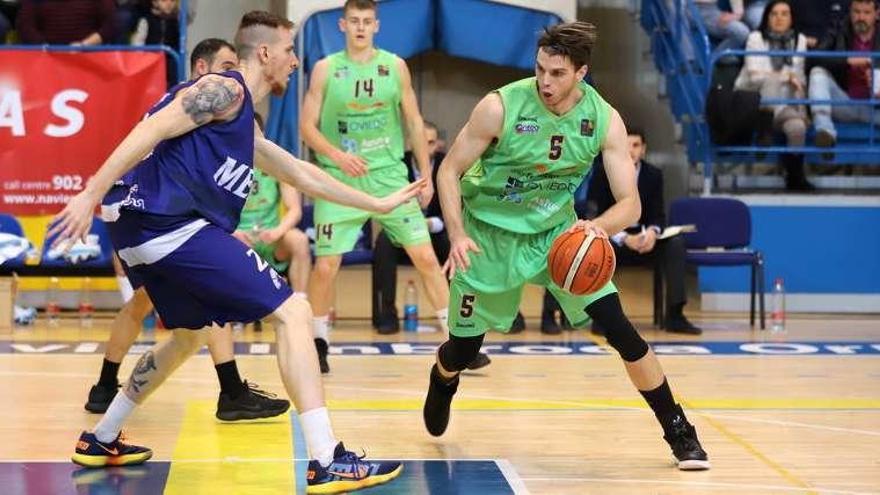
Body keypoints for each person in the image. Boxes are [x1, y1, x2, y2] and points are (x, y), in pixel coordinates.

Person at [57, 11, 410, 492]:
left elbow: (301, 174)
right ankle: (327, 458)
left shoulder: (244, 126)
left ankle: (101, 436)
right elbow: (151, 130)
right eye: (289, 51)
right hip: (167, 223)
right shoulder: (227, 90)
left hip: (142, 229)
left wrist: (375, 201)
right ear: (264, 53)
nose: (295, 61)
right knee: (295, 311)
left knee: (189, 336)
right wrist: (88, 192)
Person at [422, 21, 710, 471]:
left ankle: (679, 431)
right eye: (540, 70)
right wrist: (457, 234)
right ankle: (443, 380)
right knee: (462, 347)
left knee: (620, 330)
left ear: (581, 72)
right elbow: (448, 171)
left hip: (558, 235)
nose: (545, 82)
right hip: (488, 236)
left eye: (557, 73)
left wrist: (593, 230)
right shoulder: (499, 107)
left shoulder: (603, 119)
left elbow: (630, 204)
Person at [83, 38, 290, 423]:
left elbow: (285, 167)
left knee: (194, 323)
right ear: (201, 69)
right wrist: (91, 193)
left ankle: (226, 390)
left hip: (148, 213)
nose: (235, 74)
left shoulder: (218, 110)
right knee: (150, 303)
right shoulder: (207, 98)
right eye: (227, 65)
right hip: (144, 209)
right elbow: (153, 137)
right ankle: (107, 382)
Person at [301, 0, 449, 374]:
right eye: (354, 21)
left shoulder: (394, 66)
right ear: (342, 25)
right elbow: (307, 127)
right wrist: (337, 155)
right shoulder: (325, 69)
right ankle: (319, 342)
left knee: (427, 257)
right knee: (326, 265)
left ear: (377, 26)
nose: (361, 28)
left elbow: (415, 123)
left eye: (367, 21)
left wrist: (426, 174)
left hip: (389, 175)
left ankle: (456, 342)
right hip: (340, 177)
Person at [370, 122, 491, 369]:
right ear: (410, 143)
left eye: (431, 142)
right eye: (421, 142)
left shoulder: (450, 164)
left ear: (438, 144)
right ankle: (387, 316)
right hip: (398, 225)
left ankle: (459, 337)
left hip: (437, 228)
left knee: (451, 244)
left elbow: (461, 206)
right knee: (382, 241)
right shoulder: (396, 163)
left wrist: (431, 223)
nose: (426, 147)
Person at [587, 129, 702, 334]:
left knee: (675, 244)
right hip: (613, 239)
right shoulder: (602, 172)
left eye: (636, 145)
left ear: (643, 149)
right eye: (626, 145)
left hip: (644, 240)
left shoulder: (653, 175)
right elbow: (595, 217)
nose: (631, 150)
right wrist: (623, 237)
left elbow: (658, 215)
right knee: (593, 246)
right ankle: (602, 319)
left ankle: (675, 314)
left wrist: (651, 233)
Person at [735, 0, 813, 191]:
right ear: (767, 17)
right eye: (774, 14)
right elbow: (755, 75)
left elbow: (800, 78)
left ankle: (795, 176)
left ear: (791, 18)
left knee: (797, 127)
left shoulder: (799, 40)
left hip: (782, 107)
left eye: (784, 14)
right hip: (753, 104)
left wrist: (801, 109)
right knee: (770, 81)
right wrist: (786, 76)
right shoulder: (756, 38)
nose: (779, 18)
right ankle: (764, 128)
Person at [808, 0, 880, 152]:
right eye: (856, 12)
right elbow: (813, 58)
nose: (860, 17)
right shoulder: (838, 29)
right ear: (850, 12)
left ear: (877, 14)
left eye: (866, 13)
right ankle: (825, 133)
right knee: (817, 73)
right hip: (845, 103)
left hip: (876, 109)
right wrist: (846, 60)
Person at [17, 0, 115, 45]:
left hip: (88, 57)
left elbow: (111, 24)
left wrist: (84, 45)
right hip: (45, 58)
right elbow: (25, 25)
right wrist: (46, 47)